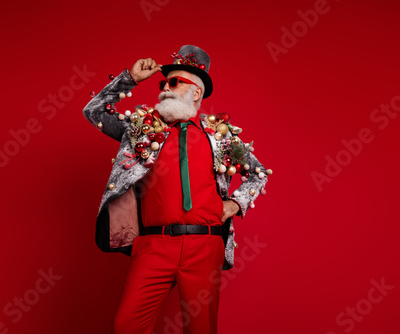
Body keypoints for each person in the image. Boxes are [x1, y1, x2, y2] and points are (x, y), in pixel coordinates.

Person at [82, 45, 271, 334]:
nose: (165, 88)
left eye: (174, 82)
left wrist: (234, 204)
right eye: (163, 83)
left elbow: (259, 175)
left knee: (201, 329)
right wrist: (129, 79)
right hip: (154, 246)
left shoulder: (219, 137)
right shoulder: (142, 130)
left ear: (196, 92)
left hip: (204, 246)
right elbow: (94, 111)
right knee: (126, 325)